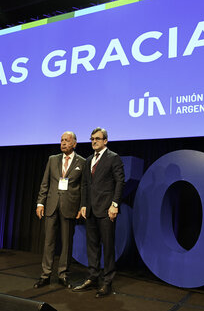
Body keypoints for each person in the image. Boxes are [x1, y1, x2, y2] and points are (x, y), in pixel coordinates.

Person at [73, 127, 125, 298]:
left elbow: (119, 182)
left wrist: (115, 204)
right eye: (92, 138)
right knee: (92, 246)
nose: (94, 141)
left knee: (108, 247)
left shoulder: (113, 157)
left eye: (97, 138)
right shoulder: (89, 160)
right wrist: (83, 205)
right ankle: (93, 277)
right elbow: (86, 185)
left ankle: (107, 281)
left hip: (106, 209)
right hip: (91, 209)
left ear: (105, 141)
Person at [34, 131, 86, 289]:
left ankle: (63, 274)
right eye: (62, 140)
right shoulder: (52, 159)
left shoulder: (82, 162)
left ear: (74, 144)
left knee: (67, 244)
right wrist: (40, 203)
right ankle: (46, 275)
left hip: (70, 207)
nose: (63, 143)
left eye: (67, 140)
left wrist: (81, 206)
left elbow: (83, 188)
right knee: (49, 242)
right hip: (51, 205)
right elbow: (45, 183)